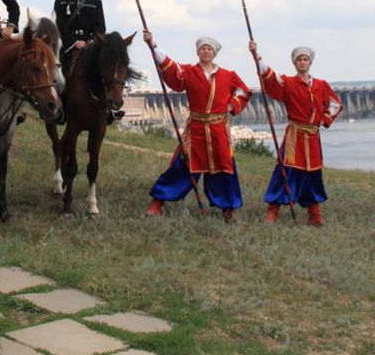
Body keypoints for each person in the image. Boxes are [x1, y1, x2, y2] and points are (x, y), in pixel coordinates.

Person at [144, 31, 252, 221]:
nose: (206, 51)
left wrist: (231, 105)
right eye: (203, 48)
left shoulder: (228, 75)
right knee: (184, 166)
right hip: (196, 129)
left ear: (214, 53)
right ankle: (158, 201)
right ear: (198, 52)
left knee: (224, 167)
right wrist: (153, 45)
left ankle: (228, 207)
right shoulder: (189, 72)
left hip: (219, 131)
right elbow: (170, 67)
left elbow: (244, 90)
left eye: (209, 49)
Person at [248, 42, 343, 226]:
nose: (302, 62)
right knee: (286, 171)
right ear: (294, 62)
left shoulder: (321, 85)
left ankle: (314, 213)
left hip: (312, 136)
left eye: (305, 59)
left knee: (313, 174)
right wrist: (256, 55)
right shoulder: (288, 83)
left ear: (310, 62)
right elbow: (270, 76)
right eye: (299, 59)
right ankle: (273, 211)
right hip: (295, 136)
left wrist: (324, 119)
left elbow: (335, 104)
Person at [53, 0, 106, 77]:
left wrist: (91, 42)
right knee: (59, 75)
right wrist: (74, 42)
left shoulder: (95, 1)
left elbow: (100, 26)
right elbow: (60, 24)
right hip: (68, 46)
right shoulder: (60, 1)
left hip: (90, 46)